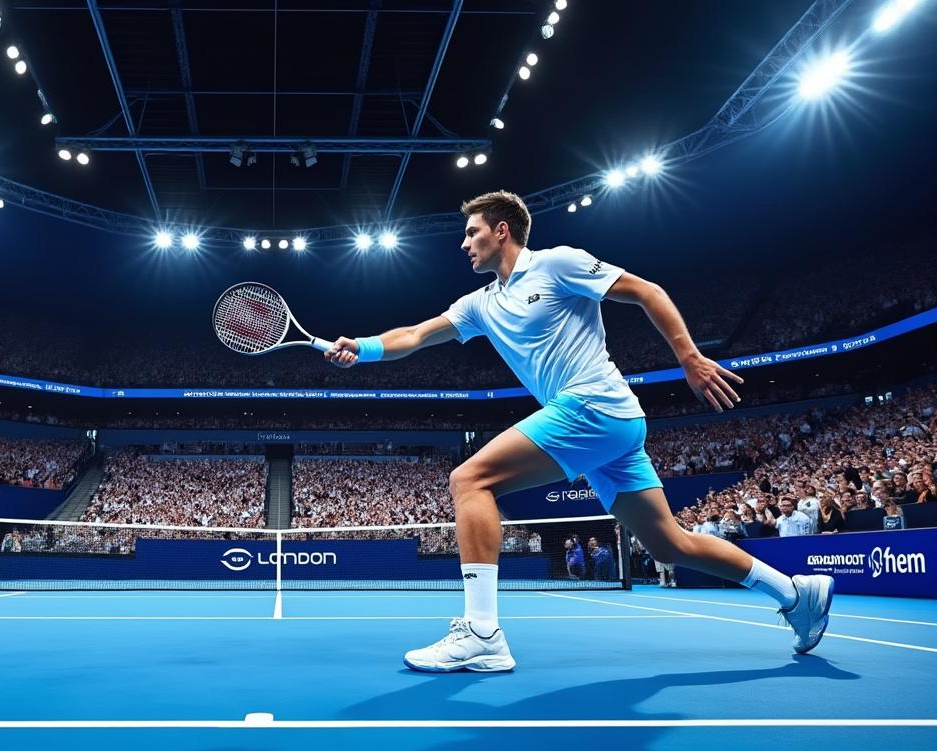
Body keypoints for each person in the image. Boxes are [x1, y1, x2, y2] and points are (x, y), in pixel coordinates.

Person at [323, 190, 832, 672]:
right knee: (669, 545)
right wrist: (361, 346)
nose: (464, 242)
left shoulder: (557, 262)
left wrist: (689, 357)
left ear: (502, 231)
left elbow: (646, 291)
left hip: (594, 405)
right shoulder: (480, 303)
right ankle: (795, 594)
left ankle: (482, 635)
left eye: (472, 232)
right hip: (612, 427)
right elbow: (415, 335)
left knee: (469, 480)